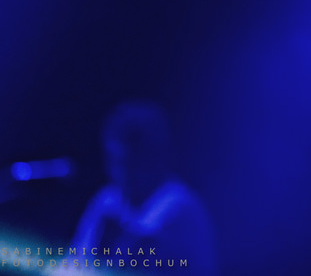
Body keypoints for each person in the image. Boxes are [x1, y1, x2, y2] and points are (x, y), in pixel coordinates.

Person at [71, 101, 217, 275]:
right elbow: (74, 264)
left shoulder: (182, 208)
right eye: (115, 162)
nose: (120, 173)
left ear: (155, 159)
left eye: (130, 163)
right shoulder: (107, 200)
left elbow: (134, 257)